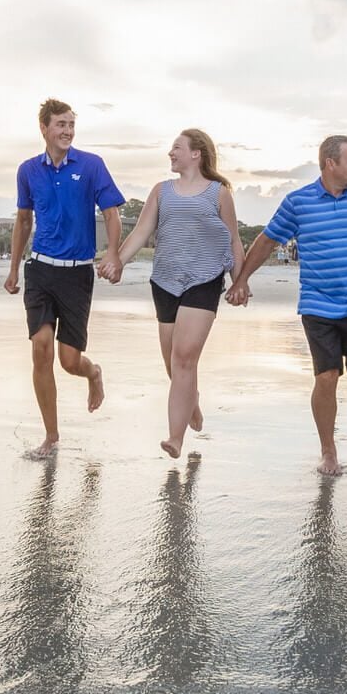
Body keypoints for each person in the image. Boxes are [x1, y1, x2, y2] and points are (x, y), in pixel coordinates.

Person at [225, 135, 347, 476]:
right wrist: (241, 281)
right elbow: (268, 241)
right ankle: (329, 453)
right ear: (331, 163)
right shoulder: (299, 202)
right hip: (317, 304)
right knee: (326, 377)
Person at [101, 129, 245, 459]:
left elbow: (234, 239)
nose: (170, 153)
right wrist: (118, 262)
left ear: (197, 154)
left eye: (176, 148)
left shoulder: (218, 193)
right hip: (165, 281)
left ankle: (175, 438)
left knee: (183, 358)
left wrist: (239, 281)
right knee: (172, 364)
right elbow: (142, 231)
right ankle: (190, 404)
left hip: (203, 280)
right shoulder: (161, 191)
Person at [4, 97, 126, 458]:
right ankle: (51, 437)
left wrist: (113, 253)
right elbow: (24, 220)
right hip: (40, 269)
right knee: (40, 349)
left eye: (71, 125)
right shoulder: (28, 170)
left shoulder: (91, 166)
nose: (68, 131)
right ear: (44, 128)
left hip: (77, 274)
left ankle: (93, 374)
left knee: (69, 361)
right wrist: (13, 268)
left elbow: (112, 214)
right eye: (61, 125)